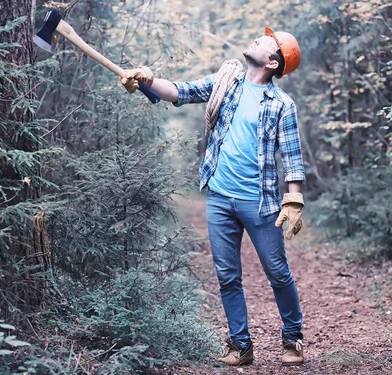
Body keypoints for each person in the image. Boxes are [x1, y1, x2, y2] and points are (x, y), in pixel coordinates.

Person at [121, 27, 306, 366]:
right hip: (220, 197)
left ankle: (292, 339)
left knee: (277, 271)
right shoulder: (228, 82)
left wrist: (294, 199)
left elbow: (292, 158)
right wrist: (147, 79)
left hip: (260, 202)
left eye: (266, 40)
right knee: (227, 275)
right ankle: (240, 344)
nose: (257, 38)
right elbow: (180, 91)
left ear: (272, 60)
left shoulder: (282, 104)